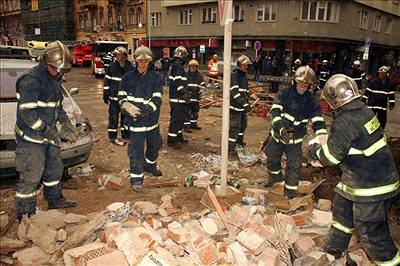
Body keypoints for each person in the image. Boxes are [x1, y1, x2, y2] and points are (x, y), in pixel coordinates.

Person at [308, 74, 399, 265]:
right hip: (367, 176)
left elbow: (331, 157)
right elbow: (352, 144)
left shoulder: (345, 121)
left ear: (333, 101)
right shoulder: (364, 111)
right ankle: (334, 249)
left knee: (370, 232)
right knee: (342, 210)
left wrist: (315, 149)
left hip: (371, 187)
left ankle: (390, 262)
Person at [14, 41, 78, 221]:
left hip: (49, 137)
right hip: (31, 140)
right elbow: (27, 113)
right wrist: (48, 131)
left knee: (54, 170)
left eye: (61, 69)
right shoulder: (31, 80)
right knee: (31, 176)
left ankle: (54, 200)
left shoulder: (55, 79)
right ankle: (25, 214)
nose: (58, 72)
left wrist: (65, 123)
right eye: (54, 68)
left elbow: (56, 106)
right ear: (44, 62)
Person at [263, 65, 327, 199]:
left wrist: (322, 136)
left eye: (306, 85)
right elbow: (275, 111)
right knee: (272, 158)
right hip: (278, 136)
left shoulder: (311, 101)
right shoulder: (284, 93)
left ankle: (290, 193)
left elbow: (317, 120)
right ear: (294, 81)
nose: (303, 87)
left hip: (295, 140)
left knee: (294, 166)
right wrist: (280, 128)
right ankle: (275, 181)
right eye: (301, 83)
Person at [118, 46, 163, 192]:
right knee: (136, 152)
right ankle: (136, 178)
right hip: (135, 124)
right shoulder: (127, 78)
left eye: (146, 61)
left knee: (155, 146)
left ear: (149, 62)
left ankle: (150, 166)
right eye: (140, 61)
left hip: (151, 122)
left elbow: (157, 98)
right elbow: (121, 97)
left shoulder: (156, 78)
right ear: (136, 61)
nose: (143, 64)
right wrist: (125, 106)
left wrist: (146, 110)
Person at [103, 46, 133, 145]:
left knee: (126, 117)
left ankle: (126, 134)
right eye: (116, 55)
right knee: (113, 118)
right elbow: (107, 82)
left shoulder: (130, 67)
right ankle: (112, 136)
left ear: (124, 56)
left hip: (126, 99)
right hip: (114, 99)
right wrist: (105, 95)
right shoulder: (111, 67)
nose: (116, 57)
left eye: (119, 55)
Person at [167, 46, 191, 149]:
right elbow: (178, 82)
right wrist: (184, 93)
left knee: (180, 120)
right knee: (176, 120)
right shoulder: (177, 66)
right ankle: (171, 141)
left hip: (179, 99)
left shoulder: (177, 65)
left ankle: (178, 136)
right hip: (177, 99)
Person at [228, 55, 252, 155]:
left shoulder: (243, 76)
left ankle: (239, 140)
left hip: (242, 107)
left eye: (247, 65)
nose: (246, 67)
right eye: (244, 65)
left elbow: (245, 91)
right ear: (239, 65)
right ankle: (231, 147)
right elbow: (234, 92)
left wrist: (247, 102)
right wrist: (243, 102)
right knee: (235, 127)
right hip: (235, 107)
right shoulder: (235, 75)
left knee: (243, 125)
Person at [184, 59, 205, 132]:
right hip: (188, 97)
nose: (193, 68)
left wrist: (201, 91)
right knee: (187, 112)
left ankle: (193, 124)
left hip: (196, 97)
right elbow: (183, 85)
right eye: (192, 66)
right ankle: (186, 126)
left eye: (195, 66)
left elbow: (203, 84)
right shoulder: (185, 75)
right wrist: (185, 94)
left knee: (195, 112)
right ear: (189, 67)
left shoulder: (199, 75)